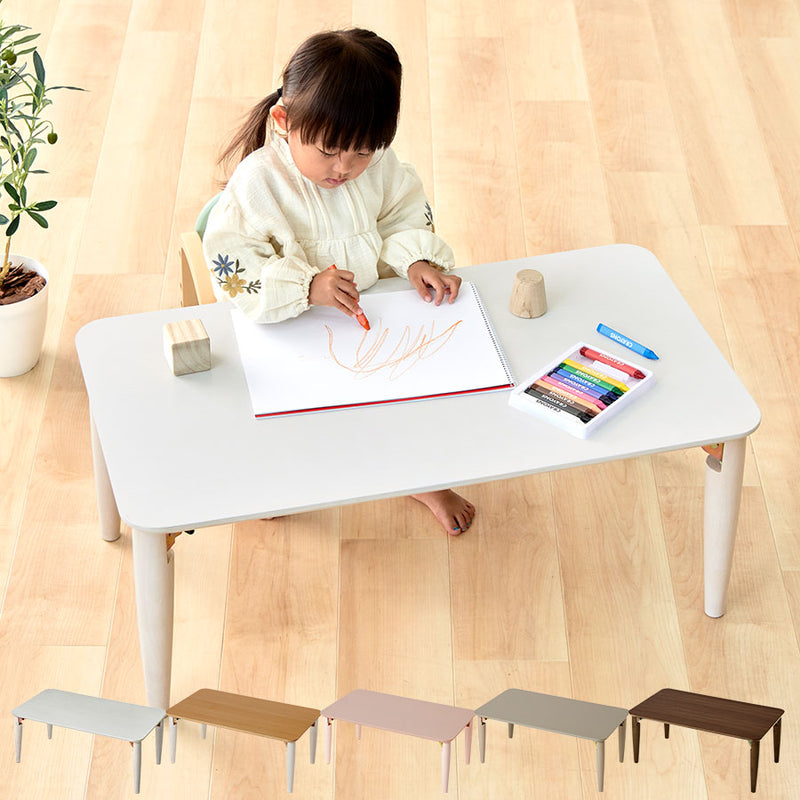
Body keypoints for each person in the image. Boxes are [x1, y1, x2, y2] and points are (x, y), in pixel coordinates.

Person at [203, 28, 475, 534]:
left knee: (409, 390)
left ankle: (418, 475)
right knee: (290, 409)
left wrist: (415, 260)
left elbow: (404, 213)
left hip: (371, 316)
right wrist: (305, 288)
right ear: (284, 121)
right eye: (329, 150)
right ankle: (285, 473)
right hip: (289, 322)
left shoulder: (381, 169)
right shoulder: (259, 184)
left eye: (362, 152)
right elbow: (233, 268)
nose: (344, 168)